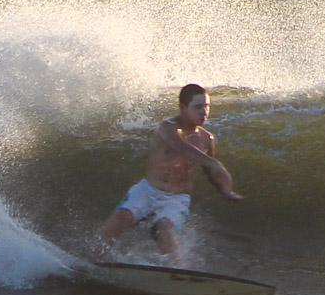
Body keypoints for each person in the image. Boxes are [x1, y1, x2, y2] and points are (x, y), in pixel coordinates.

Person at [95, 83, 242, 265]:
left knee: (165, 228)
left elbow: (209, 173)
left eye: (207, 107)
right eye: (198, 107)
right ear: (182, 108)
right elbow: (182, 147)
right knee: (122, 217)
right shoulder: (167, 127)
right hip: (147, 190)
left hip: (176, 198)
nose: (204, 112)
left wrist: (225, 191)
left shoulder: (206, 139)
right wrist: (215, 163)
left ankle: (176, 273)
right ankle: (90, 260)